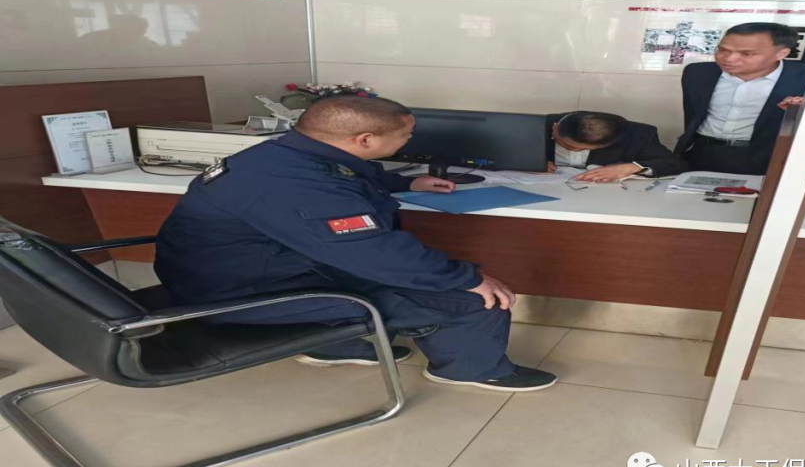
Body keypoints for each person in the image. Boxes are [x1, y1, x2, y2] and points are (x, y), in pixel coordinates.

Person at [154, 96, 557, 391]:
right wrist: (468, 278)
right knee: (470, 299)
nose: (409, 140)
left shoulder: (283, 155)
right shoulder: (302, 187)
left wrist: (406, 182)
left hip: (243, 271)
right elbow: (376, 253)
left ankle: (332, 344)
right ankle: (470, 369)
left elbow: (342, 176)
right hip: (242, 294)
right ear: (364, 139)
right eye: (406, 135)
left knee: (412, 274)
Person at [674, 22, 805, 175]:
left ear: (781, 53)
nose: (729, 58)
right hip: (701, 153)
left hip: (768, 157)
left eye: (746, 53)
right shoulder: (698, 73)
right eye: (723, 50)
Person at [545, 111, 688, 183]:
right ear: (555, 128)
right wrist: (533, 163)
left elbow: (677, 164)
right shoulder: (539, 124)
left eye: (582, 148)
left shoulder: (638, 135)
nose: (573, 150)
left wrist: (630, 168)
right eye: (564, 144)